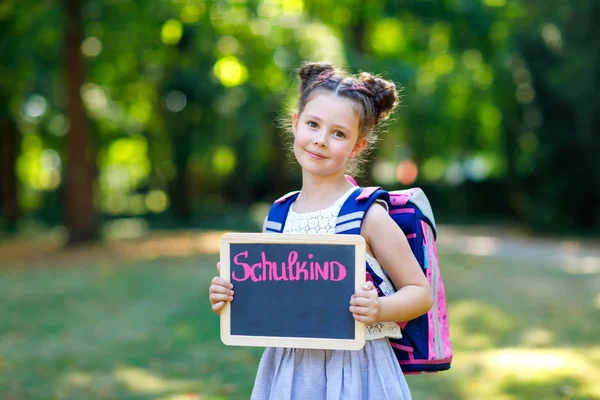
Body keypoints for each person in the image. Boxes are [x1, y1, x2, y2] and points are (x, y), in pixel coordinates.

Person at [208, 61, 433, 400]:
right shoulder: (279, 215)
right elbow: (271, 295)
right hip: (290, 370)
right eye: (313, 124)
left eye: (339, 133)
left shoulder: (367, 214)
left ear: (358, 145)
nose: (321, 141)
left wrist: (379, 310)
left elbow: (420, 292)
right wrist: (229, 296)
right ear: (296, 123)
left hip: (357, 370)